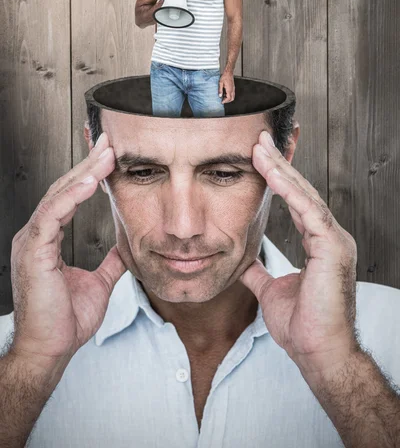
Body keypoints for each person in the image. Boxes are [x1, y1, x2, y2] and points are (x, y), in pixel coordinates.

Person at [1, 102, 400, 447]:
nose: (183, 226)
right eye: (143, 171)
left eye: (224, 173)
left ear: (286, 153)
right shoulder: (16, 356)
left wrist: (337, 366)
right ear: (95, 158)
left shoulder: (392, 330)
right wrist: (32, 363)